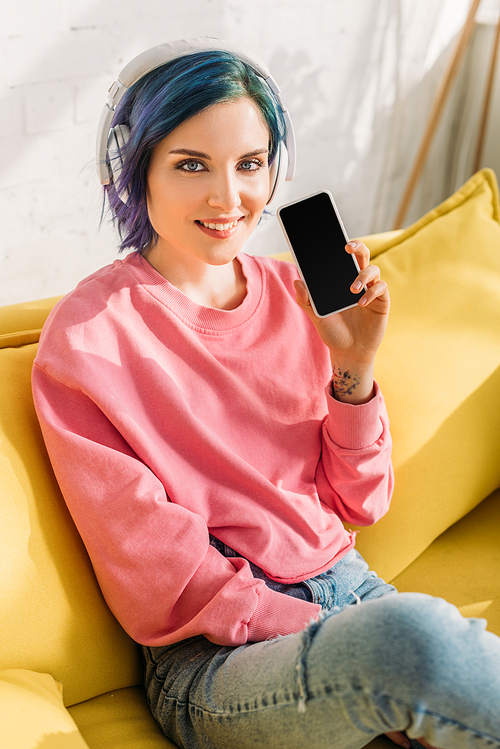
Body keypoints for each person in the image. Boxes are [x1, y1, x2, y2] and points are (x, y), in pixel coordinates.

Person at [32, 38, 500, 749]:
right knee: (416, 642)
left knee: (422, 649)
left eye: (249, 164)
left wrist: (355, 372)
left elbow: (360, 504)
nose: (229, 198)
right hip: (218, 659)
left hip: (353, 594)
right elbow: (165, 583)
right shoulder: (90, 337)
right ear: (132, 170)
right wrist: (340, 639)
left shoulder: (296, 294)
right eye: (192, 165)